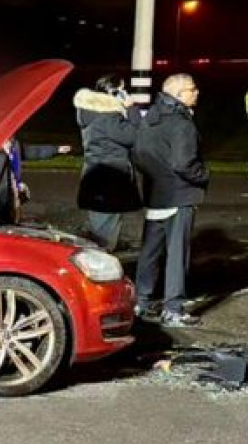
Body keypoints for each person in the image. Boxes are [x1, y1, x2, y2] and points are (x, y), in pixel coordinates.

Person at [133, 74, 208, 327]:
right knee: (177, 254)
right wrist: (203, 175)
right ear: (178, 94)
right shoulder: (181, 124)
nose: (197, 92)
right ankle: (173, 308)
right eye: (192, 89)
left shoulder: (150, 118)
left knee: (150, 251)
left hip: (156, 192)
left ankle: (141, 302)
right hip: (179, 194)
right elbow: (183, 163)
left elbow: (139, 155)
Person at [73, 74, 140, 249]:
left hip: (98, 180)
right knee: (105, 236)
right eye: (121, 90)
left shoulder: (91, 113)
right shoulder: (107, 117)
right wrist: (132, 109)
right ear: (111, 92)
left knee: (102, 228)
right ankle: (100, 271)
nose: (124, 94)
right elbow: (135, 136)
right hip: (109, 182)